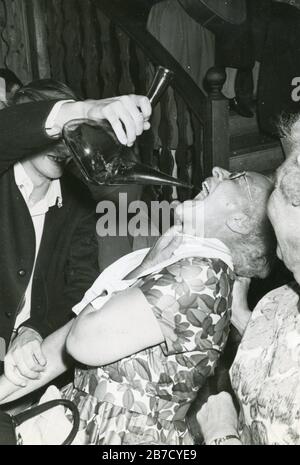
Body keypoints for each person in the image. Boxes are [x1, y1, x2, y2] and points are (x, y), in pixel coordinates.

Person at [0, 166, 276, 445]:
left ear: (240, 221)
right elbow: (63, 349)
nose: (219, 170)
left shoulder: (201, 274)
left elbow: (80, 340)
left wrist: (141, 269)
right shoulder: (184, 262)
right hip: (89, 422)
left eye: (237, 178)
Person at [0, 79, 153, 386]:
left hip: (34, 367)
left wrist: (34, 329)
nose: (62, 148)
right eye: (56, 134)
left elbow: (80, 286)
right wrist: (79, 110)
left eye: (70, 136)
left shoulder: (79, 200)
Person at [197, 116, 300, 445]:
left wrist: (220, 433)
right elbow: (276, 345)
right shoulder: (280, 299)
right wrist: (240, 313)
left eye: (279, 183)